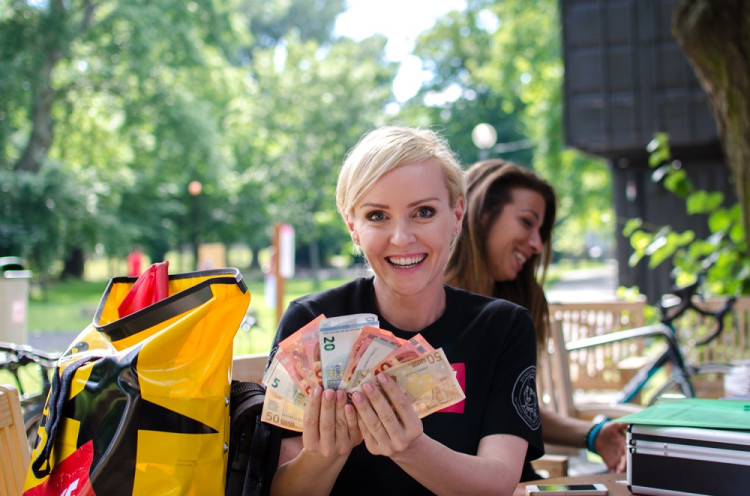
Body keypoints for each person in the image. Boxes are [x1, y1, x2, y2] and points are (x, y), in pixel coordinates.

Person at [268, 127, 544, 496]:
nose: (401, 238)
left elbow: (498, 482)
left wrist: (411, 449)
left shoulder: (503, 326)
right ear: (353, 228)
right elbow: (278, 489)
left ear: (457, 214)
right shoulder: (311, 322)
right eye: (377, 216)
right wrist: (322, 457)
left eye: (424, 212)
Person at [444, 159, 628, 481]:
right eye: (527, 223)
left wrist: (594, 434)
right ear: (482, 213)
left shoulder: (511, 313)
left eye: (540, 231)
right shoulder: (426, 307)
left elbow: (511, 410)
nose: (536, 244)